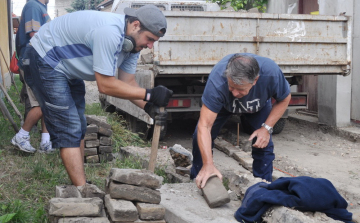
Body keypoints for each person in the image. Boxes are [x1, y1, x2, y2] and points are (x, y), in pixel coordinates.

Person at [20, 5, 172, 186]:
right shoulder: (110, 32)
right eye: (149, 39)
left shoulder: (131, 46)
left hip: (67, 68)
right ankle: (82, 192)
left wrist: (148, 107)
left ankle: (81, 183)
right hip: (44, 59)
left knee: (79, 124)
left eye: (154, 41)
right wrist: (149, 94)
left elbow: (127, 83)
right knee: (69, 126)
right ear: (135, 25)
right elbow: (105, 85)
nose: (150, 46)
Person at [191, 53, 291, 188]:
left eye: (240, 89)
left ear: (255, 80)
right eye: (231, 87)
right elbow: (205, 126)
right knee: (199, 137)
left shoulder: (271, 73)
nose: (235, 94)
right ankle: (199, 178)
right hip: (223, 106)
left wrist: (266, 128)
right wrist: (208, 164)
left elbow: (284, 99)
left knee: (263, 143)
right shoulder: (217, 80)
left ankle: (263, 188)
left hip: (257, 106)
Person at [12, 0, 53, 154]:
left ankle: (45, 142)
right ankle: (21, 136)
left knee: (46, 102)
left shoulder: (41, 7)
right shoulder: (34, 6)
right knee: (41, 103)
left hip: (39, 60)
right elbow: (35, 35)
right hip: (32, 61)